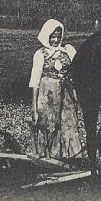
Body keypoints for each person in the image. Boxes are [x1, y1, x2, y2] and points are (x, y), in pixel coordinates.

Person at [29, 19, 83, 160]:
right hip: (47, 95)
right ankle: (48, 158)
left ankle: (69, 158)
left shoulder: (68, 51)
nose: (55, 40)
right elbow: (34, 82)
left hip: (65, 95)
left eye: (58, 36)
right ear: (47, 35)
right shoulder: (40, 54)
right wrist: (34, 109)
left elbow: (77, 73)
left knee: (68, 123)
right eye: (53, 36)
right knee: (49, 124)